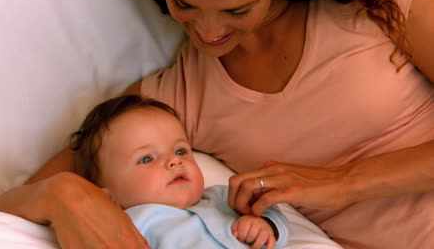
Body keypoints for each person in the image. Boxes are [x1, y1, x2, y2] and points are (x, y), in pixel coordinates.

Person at [0, 0, 434, 248]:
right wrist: (60, 193)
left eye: (237, 10)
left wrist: (340, 181)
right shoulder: (174, 99)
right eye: (183, 3)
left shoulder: (384, 3)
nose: (208, 31)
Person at [69, 94, 289, 249]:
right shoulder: (130, 224)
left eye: (181, 150)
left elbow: (267, 209)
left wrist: (265, 225)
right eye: (147, 158)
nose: (174, 160)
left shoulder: (225, 197)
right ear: (106, 195)